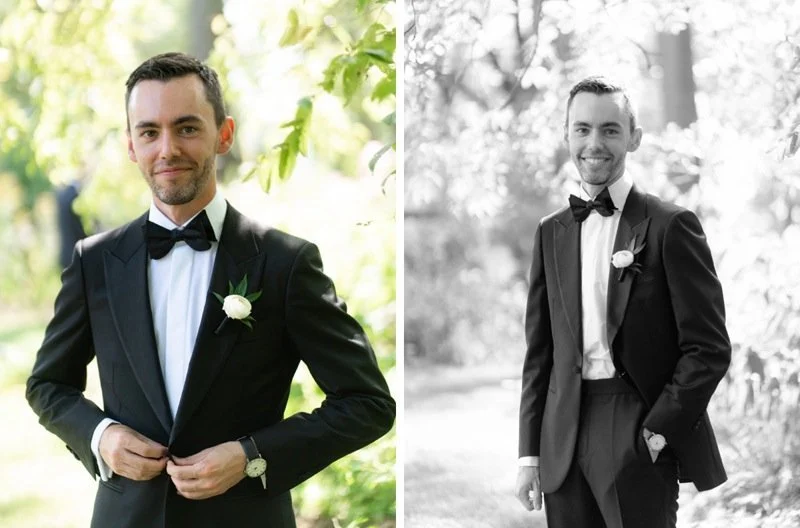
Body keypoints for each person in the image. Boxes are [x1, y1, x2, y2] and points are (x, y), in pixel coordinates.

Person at [26, 52, 395, 528]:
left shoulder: (285, 263)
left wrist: (251, 456)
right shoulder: (94, 262)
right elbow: (47, 385)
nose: (167, 150)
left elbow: (368, 403)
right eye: (149, 132)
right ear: (131, 146)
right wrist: (101, 436)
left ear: (224, 134)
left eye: (187, 128)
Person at [514, 76, 731, 527]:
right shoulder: (549, 231)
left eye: (610, 129)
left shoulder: (672, 226)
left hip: (635, 424)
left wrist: (656, 432)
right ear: (567, 134)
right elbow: (540, 354)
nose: (595, 143)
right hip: (562, 434)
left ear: (634, 137)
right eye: (583, 129)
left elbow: (708, 348)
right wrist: (529, 455)